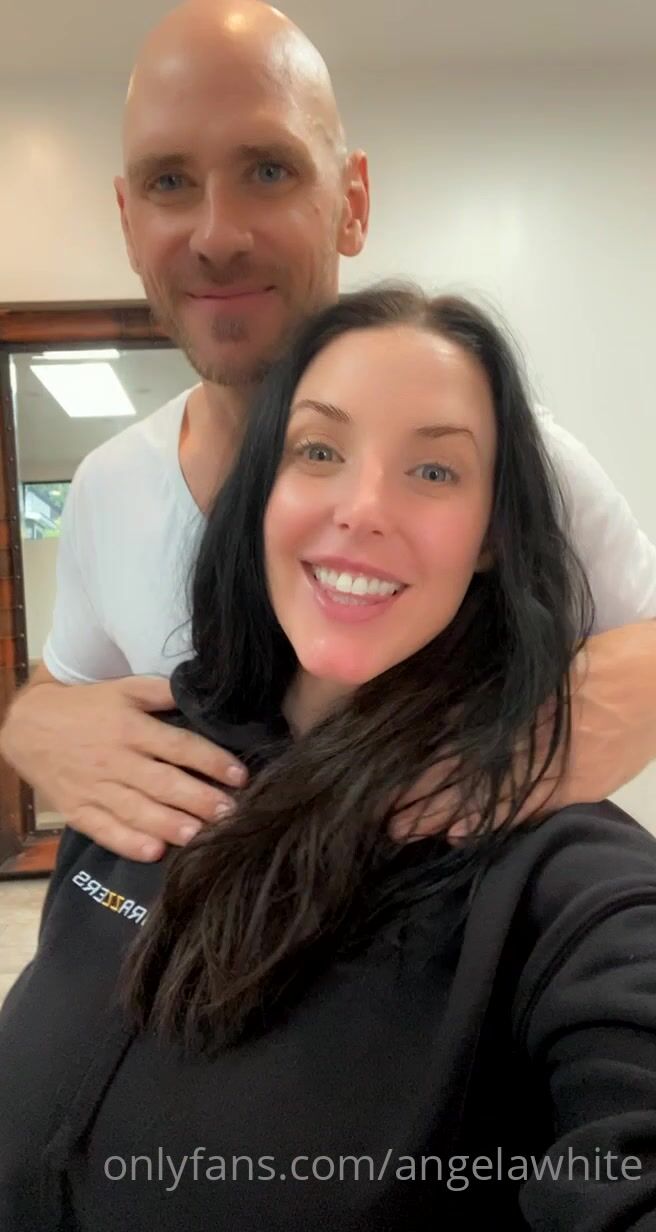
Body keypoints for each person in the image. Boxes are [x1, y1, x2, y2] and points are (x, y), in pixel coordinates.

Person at [2, 286, 656, 1231]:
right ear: (262, 492)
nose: (362, 509)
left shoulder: (560, 880)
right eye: (318, 451)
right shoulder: (141, 760)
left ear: (492, 537)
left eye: (433, 470)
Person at [1, 0, 656, 863]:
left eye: (269, 170)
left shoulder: (512, 459)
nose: (216, 235)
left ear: (351, 202)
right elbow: (69, 682)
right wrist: (32, 725)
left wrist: (612, 702)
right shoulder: (107, 488)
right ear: (128, 222)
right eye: (169, 182)